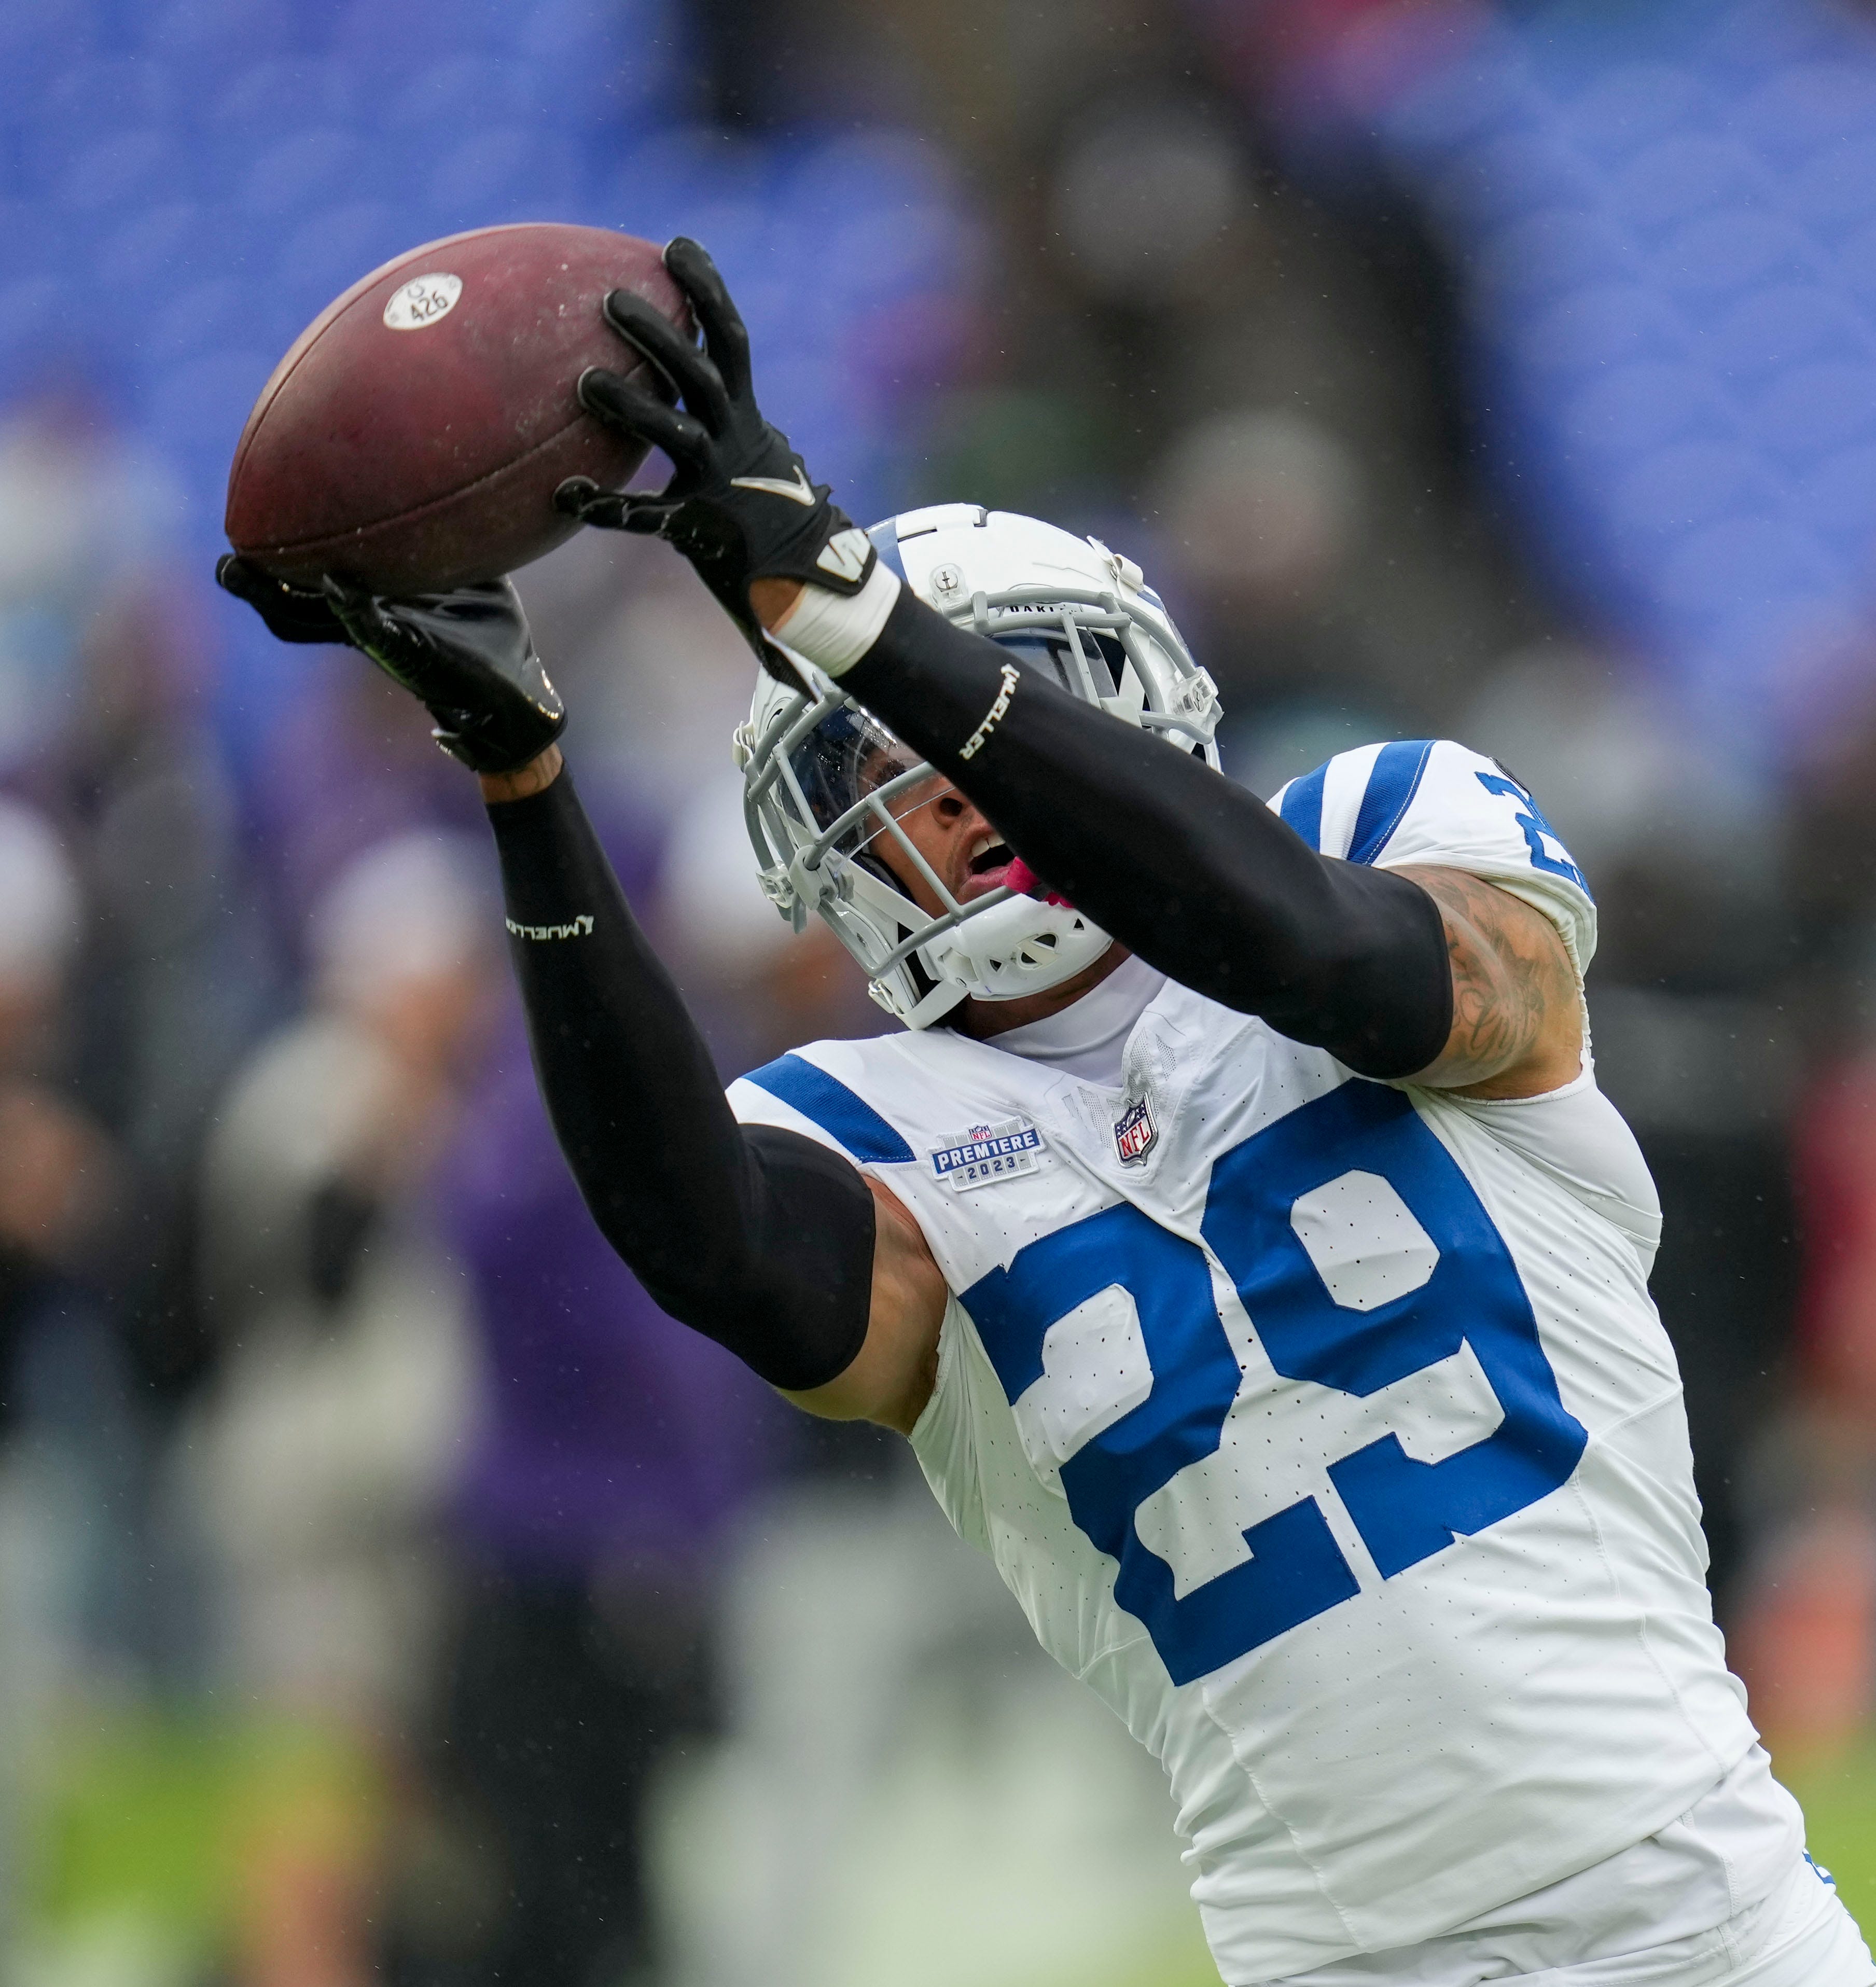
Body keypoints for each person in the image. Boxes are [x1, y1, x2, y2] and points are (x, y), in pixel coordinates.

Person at [216, 240, 1874, 1987]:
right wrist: (523, 781)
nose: (941, 787)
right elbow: (710, 1246)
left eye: (986, 711)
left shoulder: (1388, 818)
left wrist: (863, 625)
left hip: (1708, 1920)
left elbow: (1325, 958)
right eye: (880, 767)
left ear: (1130, 684)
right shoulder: (873, 1119)